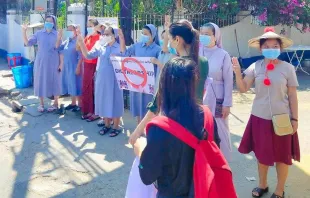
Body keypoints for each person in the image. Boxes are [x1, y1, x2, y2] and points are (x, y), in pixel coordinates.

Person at [135, 57, 220, 197]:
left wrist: (140, 149)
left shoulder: (159, 128)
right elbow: (214, 154)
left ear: (164, 86)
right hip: (203, 191)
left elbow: (147, 176)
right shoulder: (207, 117)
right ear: (194, 83)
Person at [232, 27, 300, 198]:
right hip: (259, 118)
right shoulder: (255, 66)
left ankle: (280, 189)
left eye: (275, 45)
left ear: (280, 48)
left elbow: (292, 95)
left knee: (282, 156)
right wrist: (238, 74)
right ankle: (262, 184)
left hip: (283, 118)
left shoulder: (288, 68)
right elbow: (243, 89)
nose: (271, 49)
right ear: (261, 48)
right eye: (267, 46)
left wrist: (295, 119)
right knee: (262, 155)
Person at [128, 20, 209, 146]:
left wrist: (138, 130)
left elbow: (156, 104)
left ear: (177, 40)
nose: (169, 42)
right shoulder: (203, 62)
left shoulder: (173, 66)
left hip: (176, 128)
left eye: (170, 39)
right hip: (198, 124)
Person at [77, 26, 124, 137]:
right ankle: (107, 124)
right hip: (102, 79)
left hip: (115, 80)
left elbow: (125, 56)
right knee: (103, 101)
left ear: (114, 35)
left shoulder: (119, 47)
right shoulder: (101, 46)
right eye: (104, 34)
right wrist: (81, 42)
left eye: (108, 34)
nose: (105, 36)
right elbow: (88, 55)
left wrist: (122, 39)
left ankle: (116, 126)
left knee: (115, 101)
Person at [199, 22, 233, 161]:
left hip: (217, 96)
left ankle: (222, 159)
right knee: (201, 127)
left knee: (219, 127)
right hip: (199, 97)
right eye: (201, 33)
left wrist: (227, 103)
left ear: (215, 36)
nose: (203, 37)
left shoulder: (223, 55)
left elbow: (229, 81)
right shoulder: (196, 52)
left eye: (207, 34)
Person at [119, 24, 161, 124]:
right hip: (137, 81)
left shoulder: (157, 49)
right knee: (137, 104)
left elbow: (161, 66)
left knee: (148, 105)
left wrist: (155, 61)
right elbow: (125, 53)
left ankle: (149, 127)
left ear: (153, 35)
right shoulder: (137, 46)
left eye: (146, 34)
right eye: (142, 33)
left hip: (150, 83)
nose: (143, 35)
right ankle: (139, 126)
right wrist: (121, 38)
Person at [22, 15, 62, 112]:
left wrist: (61, 64)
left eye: (50, 21)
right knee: (40, 81)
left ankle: (56, 103)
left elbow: (58, 48)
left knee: (55, 81)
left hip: (54, 61)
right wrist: (24, 31)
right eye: (47, 21)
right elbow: (28, 43)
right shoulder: (39, 33)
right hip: (41, 61)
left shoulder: (57, 34)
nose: (48, 23)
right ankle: (41, 103)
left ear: (54, 23)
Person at [58, 24, 83, 112]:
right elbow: (59, 49)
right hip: (67, 66)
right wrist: (59, 37)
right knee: (71, 84)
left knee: (77, 85)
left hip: (75, 66)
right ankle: (73, 103)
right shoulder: (68, 40)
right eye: (68, 29)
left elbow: (81, 55)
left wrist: (78, 67)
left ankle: (80, 105)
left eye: (71, 29)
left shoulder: (79, 40)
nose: (70, 31)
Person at [80, 19, 101, 121]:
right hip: (86, 64)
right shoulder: (88, 37)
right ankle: (87, 110)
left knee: (93, 88)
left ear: (96, 27)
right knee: (86, 88)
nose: (88, 27)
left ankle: (95, 112)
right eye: (88, 25)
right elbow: (81, 50)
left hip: (94, 65)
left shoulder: (99, 38)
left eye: (90, 25)